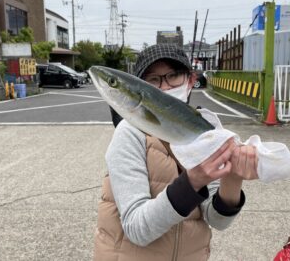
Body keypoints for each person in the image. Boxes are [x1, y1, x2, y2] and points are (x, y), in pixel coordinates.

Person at [94, 44, 259, 261]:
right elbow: (136, 229)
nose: (163, 86)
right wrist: (191, 183)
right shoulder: (129, 134)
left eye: (173, 76)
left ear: (190, 81)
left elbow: (218, 220)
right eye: (152, 79)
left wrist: (233, 177)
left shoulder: (207, 134)